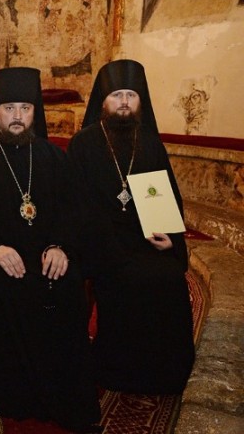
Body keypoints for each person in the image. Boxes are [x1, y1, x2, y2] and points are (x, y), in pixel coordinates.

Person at [0, 68, 101, 432]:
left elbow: (72, 211)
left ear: (36, 112)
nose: (17, 116)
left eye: (25, 108)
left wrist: (60, 247)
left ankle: (59, 391)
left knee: (65, 284)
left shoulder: (53, 158)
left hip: (44, 254)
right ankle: (14, 393)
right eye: (9, 108)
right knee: (1, 288)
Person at [67, 59, 195, 394]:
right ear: (103, 101)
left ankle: (164, 374)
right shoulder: (83, 144)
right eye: (117, 95)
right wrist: (109, 246)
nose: (124, 102)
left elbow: (167, 197)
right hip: (101, 242)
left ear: (140, 101)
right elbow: (78, 205)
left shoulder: (149, 143)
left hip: (145, 239)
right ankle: (118, 371)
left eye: (131, 95)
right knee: (127, 278)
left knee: (169, 276)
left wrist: (172, 239)